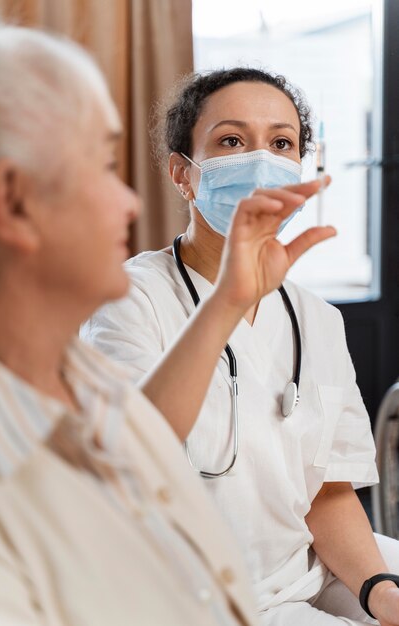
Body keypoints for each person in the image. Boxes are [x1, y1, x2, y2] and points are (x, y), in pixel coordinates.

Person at [0, 23, 339, 626]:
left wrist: (228, 299)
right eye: (101, 165)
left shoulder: (71, 376)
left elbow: (132, 456)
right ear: (14, 201)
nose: (129, 203)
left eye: (283, 143)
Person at [81, 67, 399, 625]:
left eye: (281, 143)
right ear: (184, 174)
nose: (262, 161)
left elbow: (326, 495)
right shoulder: (128, 299)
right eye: (232, 140)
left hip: (305, 569)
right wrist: (228, 299)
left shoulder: (316, 319)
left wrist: (379, 591)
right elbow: (127, 450)